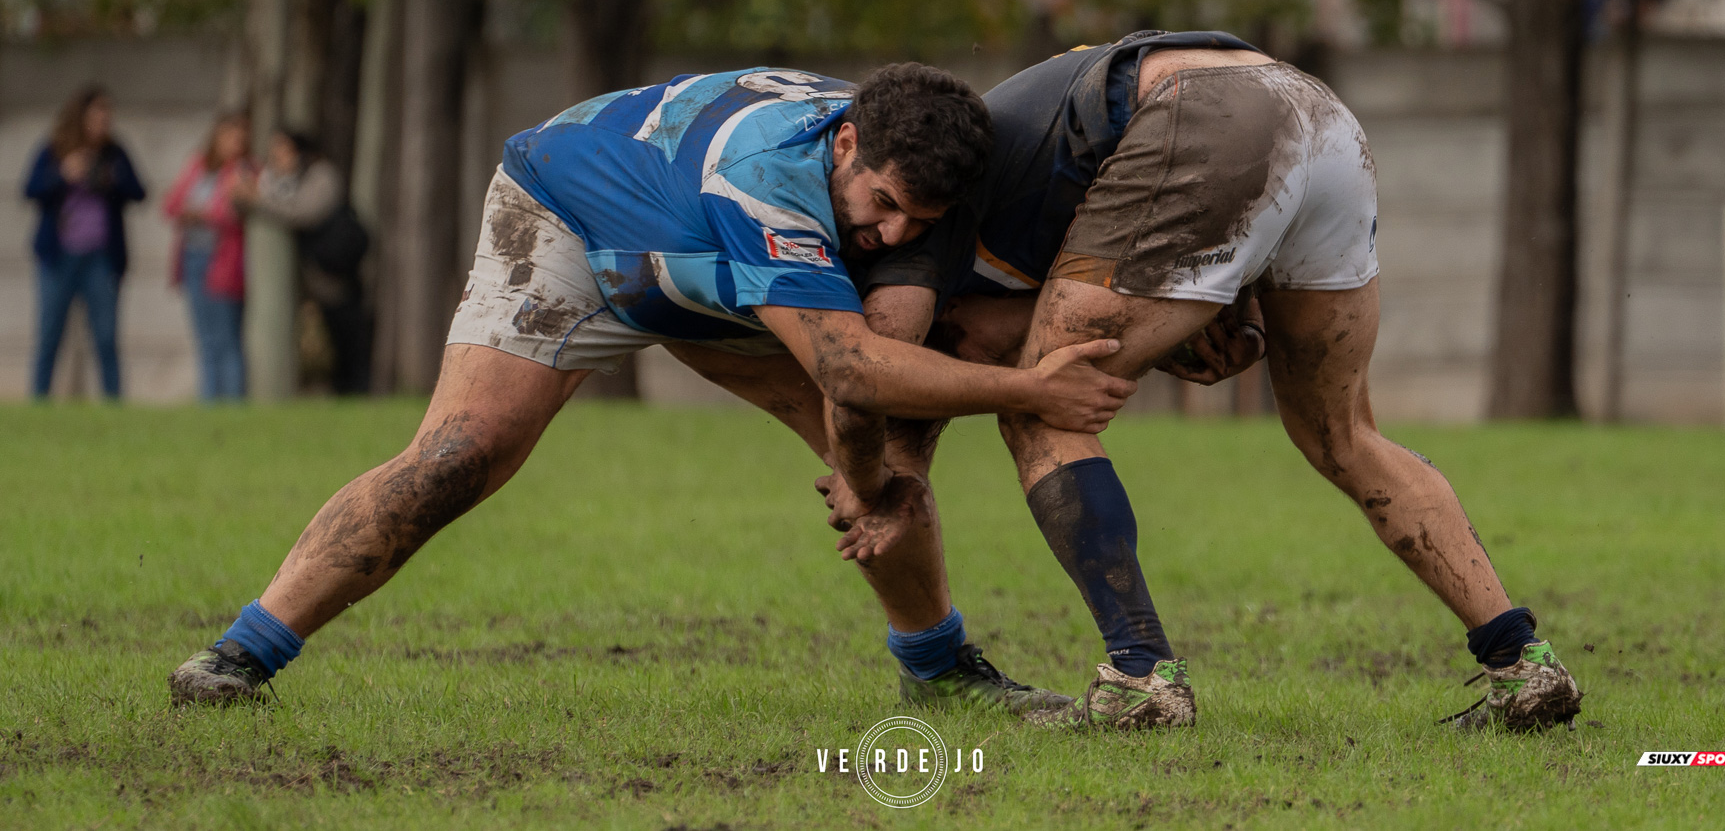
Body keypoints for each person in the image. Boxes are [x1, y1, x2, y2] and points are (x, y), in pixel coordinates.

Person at [168, 64, 1134, 707]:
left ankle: (939, 672)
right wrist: (1028, 393)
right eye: (880, 208)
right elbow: (848, 367)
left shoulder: (914, 167)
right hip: (575, 225)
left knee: (880, 460)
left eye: (916, 222)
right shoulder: (770, 177)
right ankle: (243, 651)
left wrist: (876, 468)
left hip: (713, 275)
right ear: (844, 147)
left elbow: (887, 371)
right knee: (463, 455)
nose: (890, 236)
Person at [796, 31, 1582, 733]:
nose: (889, 230)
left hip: (1205, 119)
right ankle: (1523, 662)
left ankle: (1143, 677)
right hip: (1319, 120)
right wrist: (1208, 308)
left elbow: (876, 375)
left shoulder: (916, 223)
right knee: (1343, 435)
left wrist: (872, 484)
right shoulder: (973, 177)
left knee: (1047, 400)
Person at [23, 87, 145, 399]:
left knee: (105, 337)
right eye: (98, 114)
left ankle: (113, 403)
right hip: (58, 256)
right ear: (82, 117)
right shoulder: (55, 150)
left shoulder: (115, 153)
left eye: (108, 115)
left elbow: (138, 192)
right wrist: (63, 174)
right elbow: (30, 191)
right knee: (50, 335)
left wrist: (111, 179)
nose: (104, 121)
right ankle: (39, 401)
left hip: (101, 258)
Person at [240, 128, 371, 394]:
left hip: (336, 272)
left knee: (346, 336)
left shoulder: (322, 175)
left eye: (284, 150)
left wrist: (259, 201)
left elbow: (304, 212)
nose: (277, 157)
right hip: (310, 274)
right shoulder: (279, 179)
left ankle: (354, 391)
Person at [163, 113, 255, 401]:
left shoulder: (246, 170)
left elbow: (232, 213)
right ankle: (209, 404)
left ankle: (232, 404)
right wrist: (193, 212)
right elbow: (171, 204)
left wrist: (200, 213)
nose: (234, 143)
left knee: (227, 338)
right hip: (193, 258)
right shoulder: (199, 166)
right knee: (206, 340)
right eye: (228, 136)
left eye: (240, 137)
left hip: (224, 261)